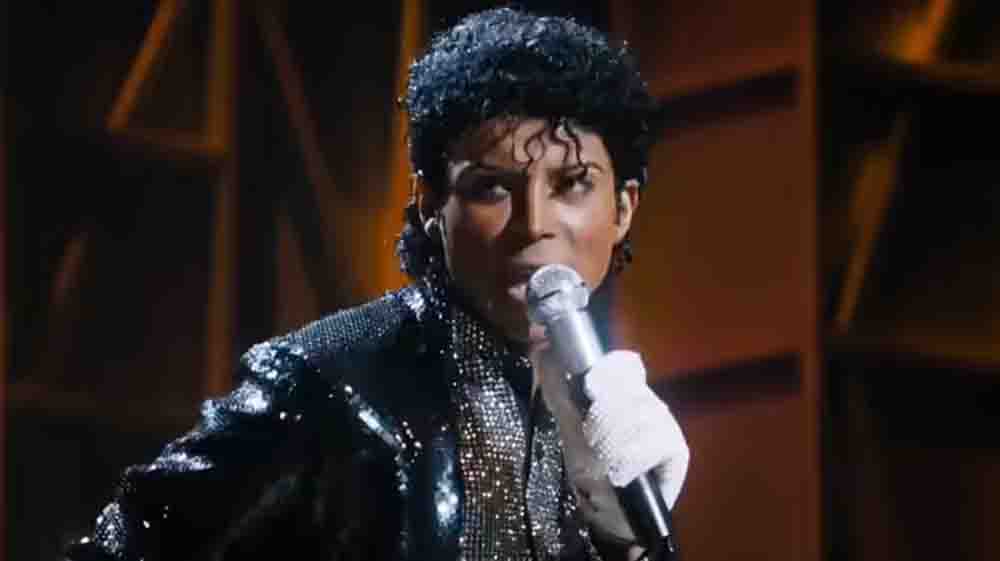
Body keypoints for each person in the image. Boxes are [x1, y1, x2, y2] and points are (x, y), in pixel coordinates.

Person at [64, 7, 689, 561]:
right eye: (491, 187)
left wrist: (626, 543)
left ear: (623, 208)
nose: (535, 224)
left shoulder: (602, 413)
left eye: (572, 184)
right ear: (431, 203)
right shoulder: (326, 385)